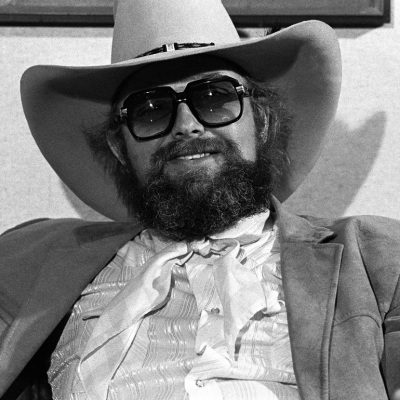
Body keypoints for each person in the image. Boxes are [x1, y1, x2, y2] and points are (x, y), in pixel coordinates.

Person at [1, 0, 399, 399]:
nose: (188, 126)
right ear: (120, 147)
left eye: (214, 96)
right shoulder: (28, 259)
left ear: (261, 123)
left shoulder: (375, 255)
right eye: (152, 109)